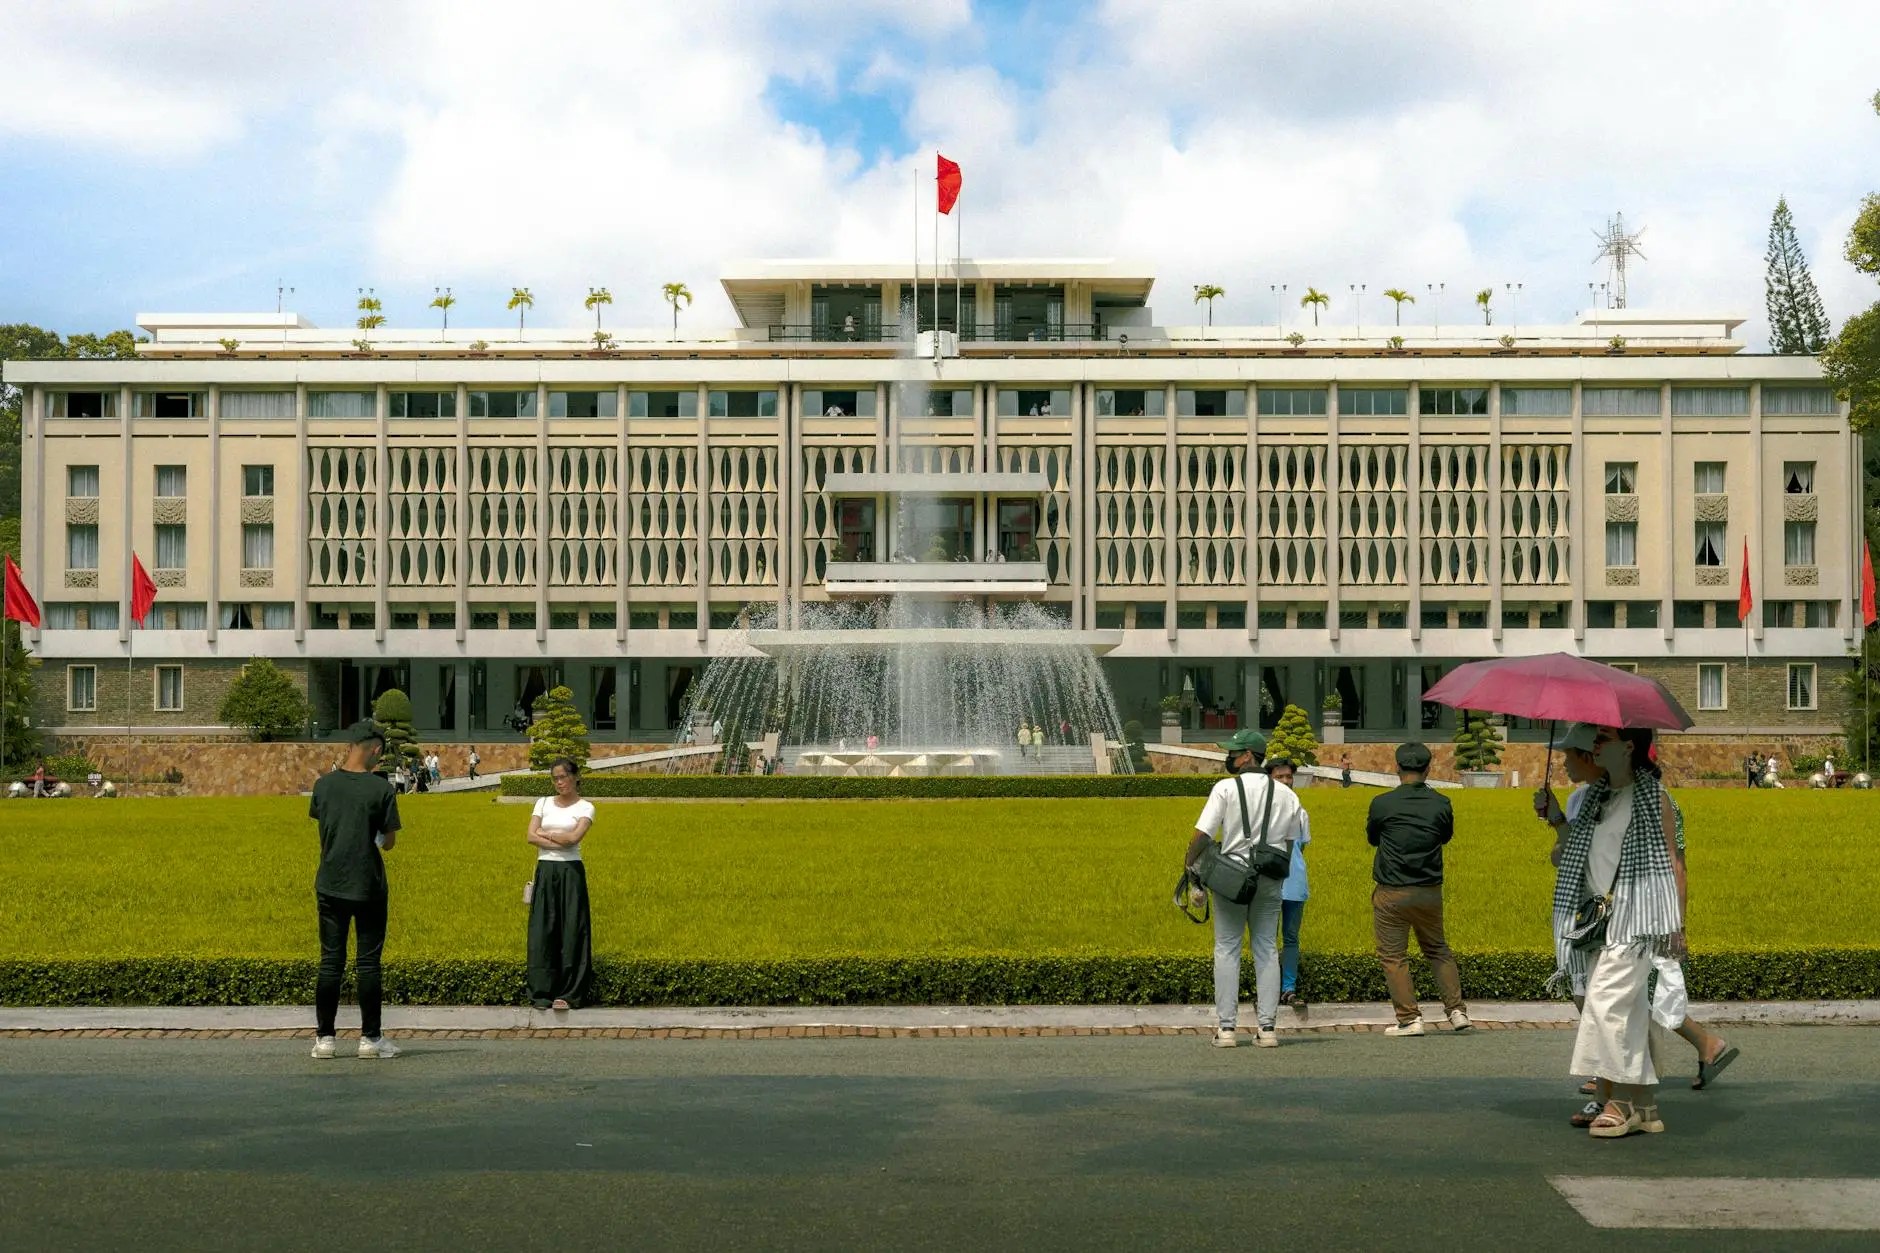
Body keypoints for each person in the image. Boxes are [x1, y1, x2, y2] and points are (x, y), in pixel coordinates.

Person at [1538, 726, 1739, 1129]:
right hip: (1596, 923)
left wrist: (1675, 926)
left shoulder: (1655, 800)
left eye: (1603, 738)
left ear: (1629, 746)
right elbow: (1577, 857)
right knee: (1625, 1012)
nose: (1594, 745)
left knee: (1606, 1006)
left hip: (1638, 922)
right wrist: (1556, 817)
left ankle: (1621, 1102)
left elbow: (1674, 865)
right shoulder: (1596, 799)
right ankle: (1644, 1105)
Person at [1183, 729, 1305, 1048]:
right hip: (1271, 878)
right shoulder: (1288, 795)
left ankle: (1226, 1029)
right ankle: (1267, 1029)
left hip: (1233, 878)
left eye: (1235, 752)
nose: (1230, 758)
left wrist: (1190, 869)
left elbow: (1202, 836)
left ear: (1248, 756)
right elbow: (1290, 846)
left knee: (1227, 948)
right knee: (1265, 947)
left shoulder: (1226, 788)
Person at [308, 720, 402, 1060]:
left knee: (331, 961)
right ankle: (370, 1038)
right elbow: (388, 842)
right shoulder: (380, 790)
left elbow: (325, 823)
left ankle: (325, 1039)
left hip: (330, 881)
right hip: (368, 885)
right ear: (375, 749)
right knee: (368, 963)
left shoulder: (324, 786)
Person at [1366, 742, 1471, 1036]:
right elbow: (1445, 836)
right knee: (1438, 950)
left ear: (1397, 767)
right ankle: (1457, 1011)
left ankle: (1410, 1018)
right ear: (1428, 769)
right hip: (1428, 890)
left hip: (1391, 891)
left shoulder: (1382, 803)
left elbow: (1373, 838)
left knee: (1393, 956)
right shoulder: (1441, 803)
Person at [527, 757, 596, 1011]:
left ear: (575, 777)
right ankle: (541, 991)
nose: (559, 782)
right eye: (555, 778)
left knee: (572, 929)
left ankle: (570, 993)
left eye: (563, 777)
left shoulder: (586, 807)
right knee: (543, 930)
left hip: (570, 871)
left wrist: (546, 834)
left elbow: (573, 839)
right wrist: (558, 838)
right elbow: (529, 836)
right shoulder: (542, 803)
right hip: (546, 869)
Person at [1264, 757, 1311, 1010]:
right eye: (1279, 777)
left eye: (1288, 777)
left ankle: (1288, 989)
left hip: (1294, 882)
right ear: (1268, 780)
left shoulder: (1300, 812)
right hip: (1268, 882)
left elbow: (1301, 847)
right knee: (1267, 938)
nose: (1285, 781)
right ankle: (1268, 988)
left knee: (1291, 938)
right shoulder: (1261, 812)